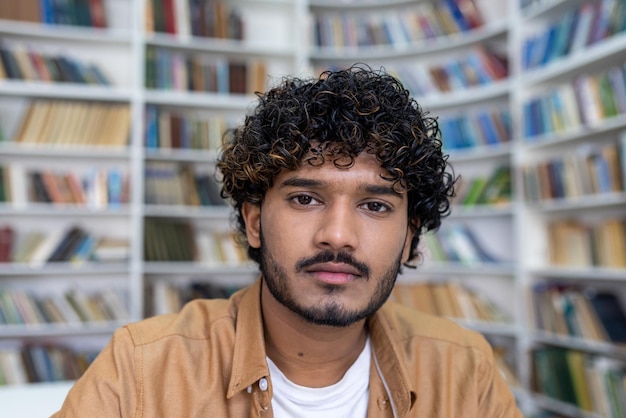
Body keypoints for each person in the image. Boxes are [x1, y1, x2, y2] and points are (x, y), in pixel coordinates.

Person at [52, 65, 523, 417]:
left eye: (375, 205)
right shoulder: (141, 369)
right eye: (304, 198)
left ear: (409, 239)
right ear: (254, 222)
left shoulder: (465, 371)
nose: (337, 235)